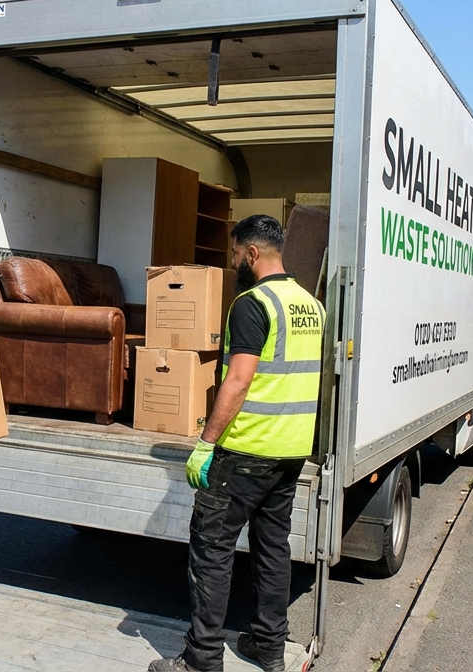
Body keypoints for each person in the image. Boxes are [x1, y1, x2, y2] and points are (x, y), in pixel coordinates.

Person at [151, 214, 326, 672]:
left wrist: (206, 442)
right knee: (273, 549)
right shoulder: (310, 304)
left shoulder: (252, 303)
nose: (233, 263)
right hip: (290, 452)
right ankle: (269, 647)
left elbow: (239, 380)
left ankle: (202, 659)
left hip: (247, 450)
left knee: (212, 548)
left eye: (234, 253)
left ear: (251, 253)